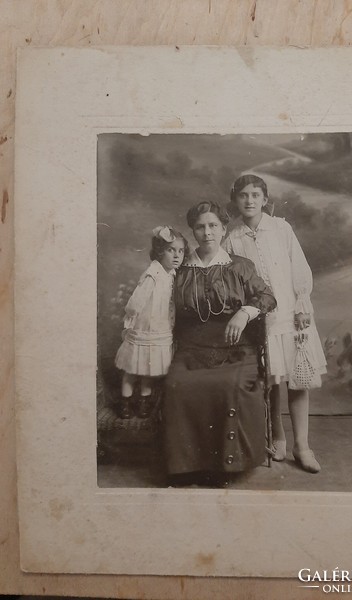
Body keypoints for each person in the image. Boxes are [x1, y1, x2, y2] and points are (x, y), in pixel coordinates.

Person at [163, 201, 276, 483]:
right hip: (192, 348)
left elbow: (267, 297)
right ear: (193, 231)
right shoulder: (181, 269)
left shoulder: (239, 266)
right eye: (200, 227)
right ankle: (187, 465)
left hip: (237, 348)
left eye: (213, 225)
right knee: (177, 386)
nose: (207, 232)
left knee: (229, 386)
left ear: (224, 229)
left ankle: (224, 465)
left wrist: (243, 313)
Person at [224, 174, 327, 473]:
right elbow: (236, 282)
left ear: (265, 199)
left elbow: (298, 265)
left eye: (256, 194)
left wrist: (301, 303)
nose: (250, 200)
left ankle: (303, 445)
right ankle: (278, 438)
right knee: (271, 379)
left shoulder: (281, 228)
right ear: (236, 199)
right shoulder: (233, 237)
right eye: (243, 195)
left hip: (291, 314)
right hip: (260, 319)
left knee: (298, 377)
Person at [115, 226, 187, 419]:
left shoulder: (171, 275)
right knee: (132, 369)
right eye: (171, 250)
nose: (176, 256)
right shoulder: (153, 274)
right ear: (159, 251)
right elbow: (135, 302)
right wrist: (130, 322)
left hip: (160, 327)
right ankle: (126, 404)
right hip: (144, 326)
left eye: (180, 251)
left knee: (149, 369)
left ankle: (144, 403)